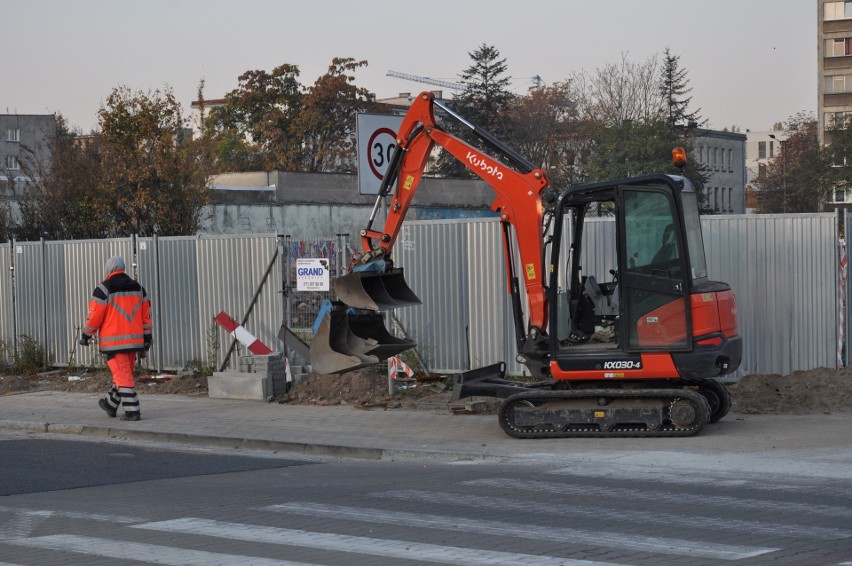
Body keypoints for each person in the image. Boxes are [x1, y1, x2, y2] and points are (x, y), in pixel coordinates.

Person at [79, 256, 152, 421]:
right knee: (123, 374)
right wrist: (147, 338)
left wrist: (85, 335)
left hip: (114, 343)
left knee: (123, 377)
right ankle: (110, 405)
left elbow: (94, 317)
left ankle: (133, 411)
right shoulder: (139, 288)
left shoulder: (103, 289)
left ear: (109, 269)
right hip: (134, 342)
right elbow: (146, 317)